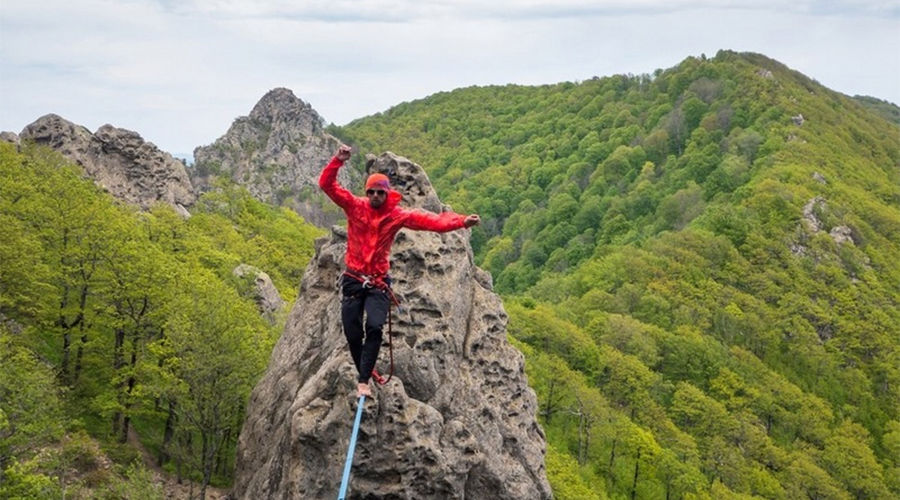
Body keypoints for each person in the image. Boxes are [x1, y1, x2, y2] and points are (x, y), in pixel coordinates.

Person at [319, 145, 480, 398]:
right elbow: (327, 185)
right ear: (366, 192)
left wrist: (460, 221)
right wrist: (337, 160)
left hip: (378, 282)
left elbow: (431, 221)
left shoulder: (396, 215)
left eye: (379, 192)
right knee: (352, 331)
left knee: (374, 327)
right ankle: (367, 368)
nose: (374, 196)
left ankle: (363, 380)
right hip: (353, 278)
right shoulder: (355, 206)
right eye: (370, 191)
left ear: (387, 193)